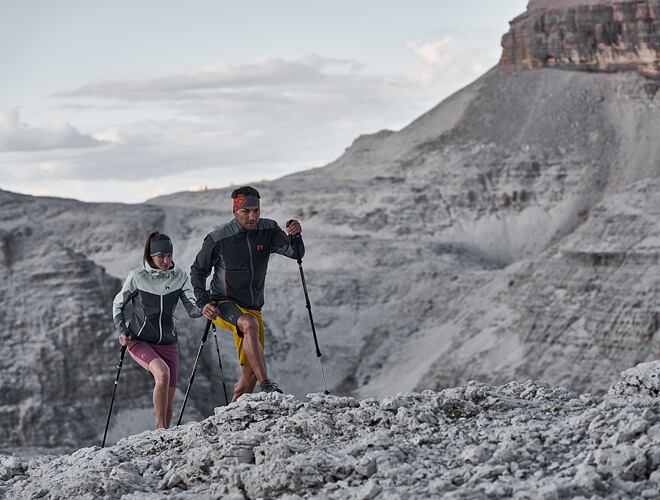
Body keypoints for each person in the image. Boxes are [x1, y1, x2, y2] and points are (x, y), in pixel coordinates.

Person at [190, 185, 303, 401]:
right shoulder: (218, 239)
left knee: (248, 375)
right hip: (223, 303)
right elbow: (197, 272)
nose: (252, 217)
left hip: (253, 307)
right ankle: (267, 384)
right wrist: (203, 301)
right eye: (246, 212)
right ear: (235, 210)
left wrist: (296, 236)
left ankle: (228, 418)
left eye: (256, 211)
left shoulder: (268, 230)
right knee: (248, 323)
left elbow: (295, 253)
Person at [112, 232, 201, 429]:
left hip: (169, 343)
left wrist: (205, 308)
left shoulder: (180, 277)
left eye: (169, 255)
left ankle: (163, 439)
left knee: (169, 405)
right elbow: (117, 305)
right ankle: (160, 433)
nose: (166, 260)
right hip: (139, 340)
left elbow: (192, 309)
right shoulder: (137, 277)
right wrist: (122, 329)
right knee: (162, 373)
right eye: (161, 256)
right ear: (151, 256)